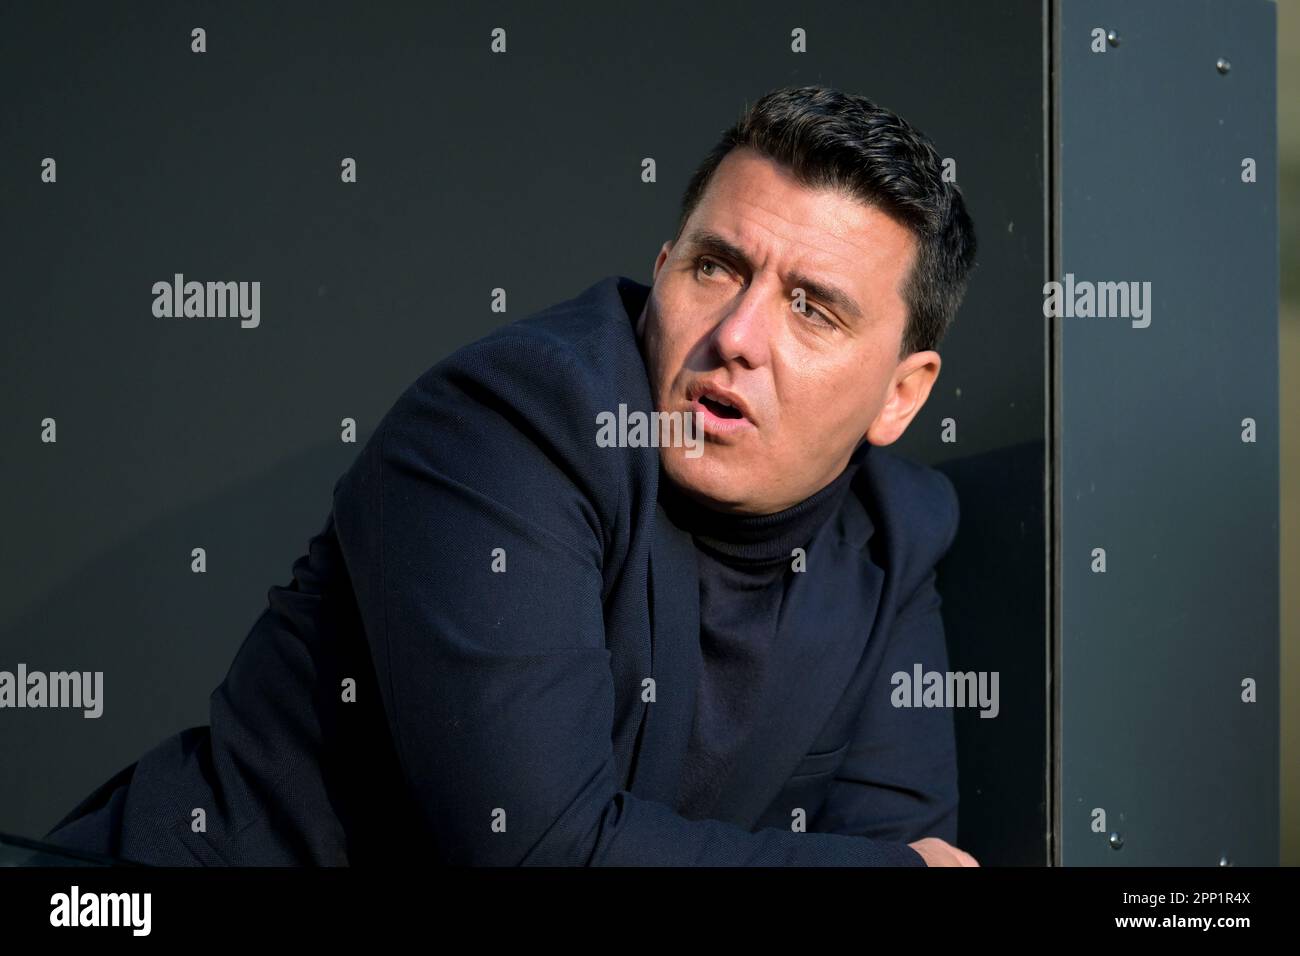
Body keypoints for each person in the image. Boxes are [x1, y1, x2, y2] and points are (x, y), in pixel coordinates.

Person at [45, 85, 979, 867]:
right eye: (714, 268)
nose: (736, 336)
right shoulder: (511, 422)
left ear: (901, 395)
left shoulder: (899, 535)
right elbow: (536, 851)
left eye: (813, 309)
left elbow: (895, 836)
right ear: (661, 274)